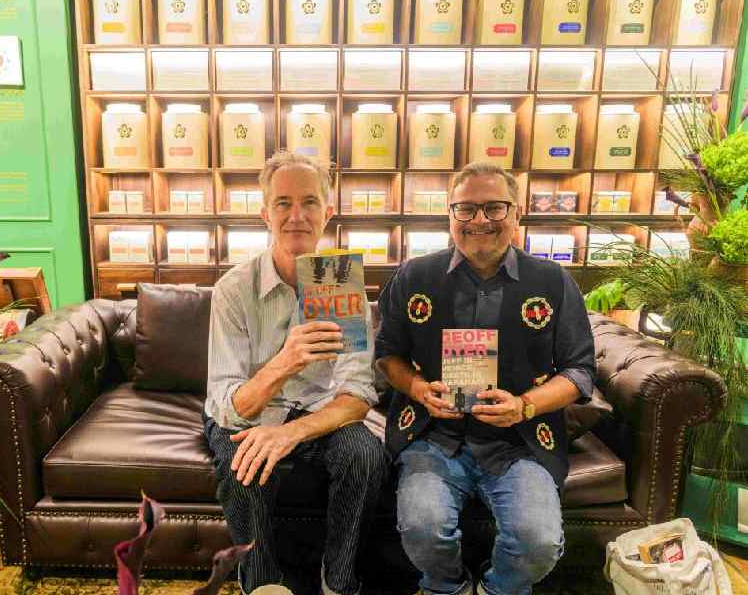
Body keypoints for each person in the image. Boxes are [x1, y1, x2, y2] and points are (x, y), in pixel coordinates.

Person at [375, 162, 596, 595]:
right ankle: (446, 588)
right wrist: (419, 389)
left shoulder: (553, 282)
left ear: (517, 213)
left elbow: (579, 369)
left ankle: (498, 589)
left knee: (539, 542)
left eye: (494, 209)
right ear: (449, 214)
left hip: (521, 442)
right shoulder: (413, 276)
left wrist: (524, 406)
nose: (479, 221)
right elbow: (387, 356)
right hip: (433, 435)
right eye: (466, 209)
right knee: (422, 527)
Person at [204, 151, 389, 595]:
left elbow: (358, 392)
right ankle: (263, 582)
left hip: (319, 414)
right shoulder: (234, 289)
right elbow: (233, 405)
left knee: (366, 455)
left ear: (327, 212)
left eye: (309, 202)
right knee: (243, 465)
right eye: (283, 203)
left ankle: (339, 580)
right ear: (265, 212)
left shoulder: (340, 283)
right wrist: (285, 361)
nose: (296, 216)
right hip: (249, 414)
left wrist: (292, 433)